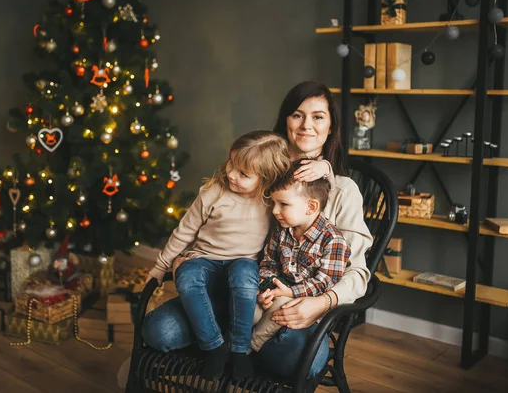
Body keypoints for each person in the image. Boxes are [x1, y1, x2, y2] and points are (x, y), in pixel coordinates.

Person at [135, 81, 373, 382]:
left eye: (318, 117)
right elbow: (209, 223)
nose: (306, 125)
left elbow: (358, 273)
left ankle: (237, 348)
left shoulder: (343, 191)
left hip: (291, 308)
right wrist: (185, 257)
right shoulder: (255, 172)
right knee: (157, 330)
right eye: (297, 115)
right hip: (231, 288)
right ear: (285, 121)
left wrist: (321, 303)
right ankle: (226, 345)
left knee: (306, 361)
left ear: (331, 127)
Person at [144, 130, 291, 381]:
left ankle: (239, 350)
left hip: (243, 265)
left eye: (243, 174)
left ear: (266, 179)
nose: (232, 174)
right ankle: (213, 347)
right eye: (231, 163)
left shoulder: (271, 203)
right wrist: (159, 267)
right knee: (188, 275)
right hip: (204, 260)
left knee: (244, 273)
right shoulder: (213, 192)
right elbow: (184, 232)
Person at [250, 159, 351, 352]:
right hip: (278, 291)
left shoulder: (333, 240)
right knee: (250, 307)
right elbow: (268, 261)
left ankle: (250, 347)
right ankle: (233, 340)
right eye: (273, 203)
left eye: (283, 204)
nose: (275, 210)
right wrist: (266, 287)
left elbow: (325, 282)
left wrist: (289, 292)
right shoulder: (282, 231)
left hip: (305, 303)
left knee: (281, 306)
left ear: (311, 207)